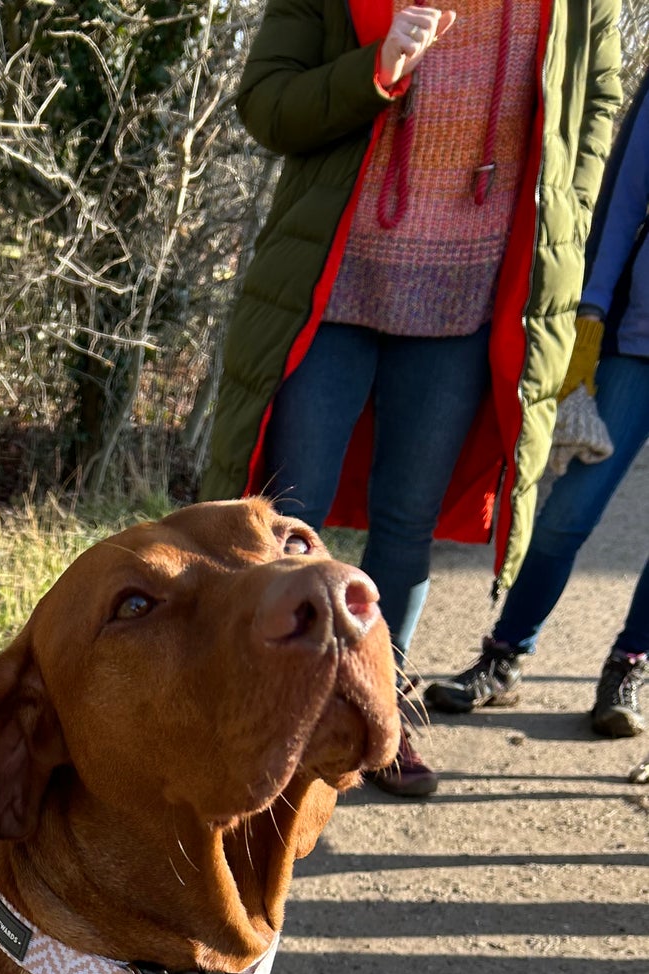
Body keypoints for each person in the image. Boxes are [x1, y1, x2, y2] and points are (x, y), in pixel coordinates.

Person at [202, 0, 622, 798]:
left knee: (407, 523)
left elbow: (595, 99)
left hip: (468, 298)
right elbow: (266, 103)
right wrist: (376, 70)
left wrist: (569, 189)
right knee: (284, 515)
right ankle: (248, 714)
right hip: (328, 290)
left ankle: (374, 717)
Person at [425, 70, 649, 739]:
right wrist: (591, 309)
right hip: (633, 341)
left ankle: (626, 666)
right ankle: (504, 653)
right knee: (566, 515)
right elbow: (624, 199)